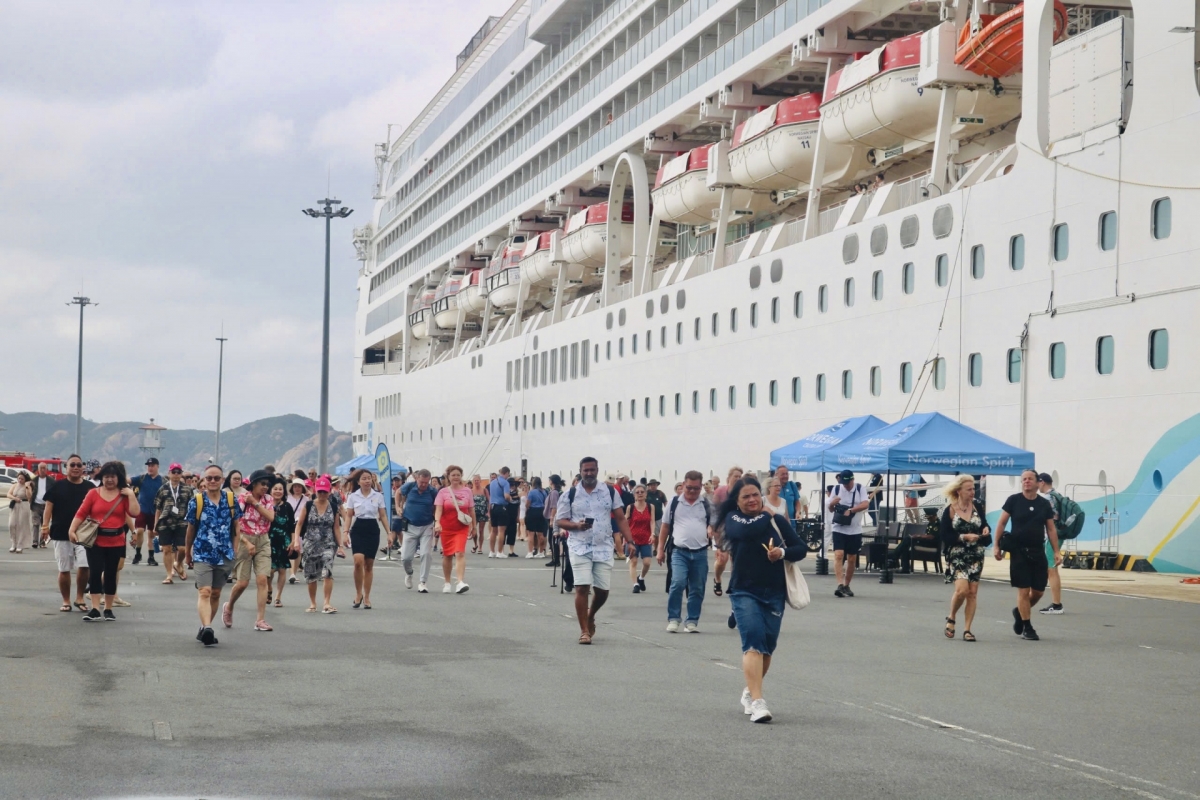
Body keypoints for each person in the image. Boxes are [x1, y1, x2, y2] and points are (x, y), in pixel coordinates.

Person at [720, 478, 806, 723]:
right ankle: (758, 702)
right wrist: (767, 514)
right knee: (753, 643)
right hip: (744, 590)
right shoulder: (734, 520)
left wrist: (782, 552)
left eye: (755, 495)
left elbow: (800, 548)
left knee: (767, 648)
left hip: (775, 592)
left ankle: (749, 692)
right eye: (745, 496)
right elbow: (745, 531)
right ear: (737, 501)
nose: (752, 500)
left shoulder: (776, 521)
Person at [555, 456, 631, 644]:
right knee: (582, 587)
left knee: (603, 590)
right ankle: (584, 631)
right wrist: (575, 526)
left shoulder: (610, 491)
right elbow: (560, 520)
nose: (589, 473)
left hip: (603, 546)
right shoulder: (570, 493)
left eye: (592, 470)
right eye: (585, 470)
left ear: (598, 470)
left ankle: (591, 615)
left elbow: (620, 518)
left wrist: (630, 541)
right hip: (579, 546)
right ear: (580, 471)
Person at [994, 469, 1059, 641]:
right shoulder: (1013, 500)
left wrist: (1057, 551)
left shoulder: (1044, 504)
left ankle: (1019, 611)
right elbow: (1001, 523)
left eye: (1030, 479)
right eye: (1024, 479)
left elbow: (1051, 529)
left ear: (1038, 482)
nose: (1026, 482)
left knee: (1038, 591)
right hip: (1019, 552)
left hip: (1037, 551)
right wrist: (996, 546)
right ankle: (1027, 627)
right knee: (1023, 590)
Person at [69, 461, 138, 621]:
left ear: (118, 478)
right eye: (106, 476)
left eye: (113, 477)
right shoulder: (93, 493)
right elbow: (81, 513)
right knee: (94, 573)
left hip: (116, 540)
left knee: (111, 574)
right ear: (102, 477)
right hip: (96, 541)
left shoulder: (123, 495)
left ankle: (108, 608)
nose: (109, 480)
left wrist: (131, 494)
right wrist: (72, 530)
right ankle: (94, 609)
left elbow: (134, 513)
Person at [185, 465, 241, 645]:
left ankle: (204, 627)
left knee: (216, 593)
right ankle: (208, 627)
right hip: (202, 552)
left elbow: (237, 527)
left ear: (222, 480)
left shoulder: (231, 500)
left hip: (224, 553)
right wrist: (187, 551)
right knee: (205, 591)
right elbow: (191, 528)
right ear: (204, 480)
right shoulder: (197, 501)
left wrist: (235, 549)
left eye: (216, 478)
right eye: (209, 478)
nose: (213, 481)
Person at [657, 470, 715, 632]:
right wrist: (660, 549)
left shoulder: (705, 504)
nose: (692, 492)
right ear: (683, 485)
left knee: (697, 588)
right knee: (677, 583)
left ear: (700, 487)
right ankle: (674, 618)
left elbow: (713, 524)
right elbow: (665, 526)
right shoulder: (674, 503)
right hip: (679, 551)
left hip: (700, 552)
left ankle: (692, 620)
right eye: (689, 488)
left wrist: (711, 529)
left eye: (696, 489)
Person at [939, 475, 991, 642]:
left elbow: (984, 524)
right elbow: (944, 535)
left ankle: (967, 629)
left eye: (973, 489)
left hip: (976, 554)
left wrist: (985, 530)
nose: (972, 492)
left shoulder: (978, 506)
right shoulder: (950, 510)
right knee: (962, 590)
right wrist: (963, 537)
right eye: (969, 489)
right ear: (959, 491)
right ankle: (952, 616)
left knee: (973, 593)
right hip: (958, 554)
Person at [223, 470, 276, 631]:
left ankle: (260, 620)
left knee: (262, 579)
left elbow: (271, 517)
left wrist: (255, 503)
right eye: (262, 484)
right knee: (242, 583)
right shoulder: (241, 499)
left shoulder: (267, 500)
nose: (266, 487)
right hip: (244, 539)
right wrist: (246, 542)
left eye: (267, 484)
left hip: (263, 540)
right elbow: (235, 524)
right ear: (253, 484)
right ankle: (229, 606)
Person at [41, 455, 92, 612]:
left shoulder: (90, 487)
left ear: (83, 468)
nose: (76, 467)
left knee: (84, 566)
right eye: (72, 465)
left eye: (79, 465)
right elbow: (48, 507)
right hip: (61, 532)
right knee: (64, 569)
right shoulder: (57, 486)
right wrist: (44, 527)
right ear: (66, 468)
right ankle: (66, 600)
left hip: (84, 533)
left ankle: (80, 598)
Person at [293, 476, 345, 613]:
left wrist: (340, 545)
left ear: (329, 492)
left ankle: (327, 603)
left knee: (328, 571)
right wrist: (296, 541)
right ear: (316, 491)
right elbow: (299, 524)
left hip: (328, 543)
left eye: (325, 492)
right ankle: (313, 603)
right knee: (311, 574)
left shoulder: (333, 507)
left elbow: (336, 528)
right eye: (320, 491)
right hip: (310, 543)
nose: (322, 494)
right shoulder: (309, 505)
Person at [343, 468, 388, 608]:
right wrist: (345, 532)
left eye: (369, 478)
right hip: (358, 528)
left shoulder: (378, 496)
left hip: (372, 529)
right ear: (358, 481)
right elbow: (349, 515)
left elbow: (383, 515)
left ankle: (367, 597)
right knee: (358, 561)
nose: (367, 481)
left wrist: (389, 533)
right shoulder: (353, 496)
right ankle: (358, 593)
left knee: (368, 565)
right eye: (364, 478)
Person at [434, 465, 475, 593]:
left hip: (461, 527)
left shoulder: (467, 491)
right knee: (447, 555)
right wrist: (437, 522)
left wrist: (474, 526)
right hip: (446, 527)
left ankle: (460, 582)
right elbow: (439, 509)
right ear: (449, 477)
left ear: (461, 476)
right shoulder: (443, 492)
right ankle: (447, 582)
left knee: (460, 552)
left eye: (458, 475)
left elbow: (471, 510)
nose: (456, 477)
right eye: (453, 475)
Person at [828, 469, 869, 598]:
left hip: (855, 529)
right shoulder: (836, 488)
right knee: (839, 554)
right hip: (839, 528)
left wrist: (851, 510)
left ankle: (846, 585)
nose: (845, 485)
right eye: (843, 483)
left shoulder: (859, 488)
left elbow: (866, 504)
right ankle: (840, 584)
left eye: (847, 483)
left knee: (852, 558)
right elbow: (830, 508)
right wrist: (832, 504)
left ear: (852, 479)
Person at [152, 463, 191, 583]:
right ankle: (169, 574)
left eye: (178, 472)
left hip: (182, 521)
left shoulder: (187, 489)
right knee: (166, 549)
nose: (176, 475)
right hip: (165, 521)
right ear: (169, 473)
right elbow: (158, 508)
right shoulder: (163, 489)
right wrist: (155, 525)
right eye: (173, 472)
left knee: (182, 548)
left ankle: (178, 563)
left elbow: (192, 507)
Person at [398, 469, 437, 591]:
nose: (423, 485)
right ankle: (409, 573)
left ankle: (423, 582)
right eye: (421, 482)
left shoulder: (432, 491)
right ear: (417, 479)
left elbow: (437, 507)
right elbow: (399, 492)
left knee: (426, 554)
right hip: (410, 525)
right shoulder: (409, 487)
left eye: (426, 482)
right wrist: (399, 507)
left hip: (427, 525)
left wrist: (436, 521)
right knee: (405, 557)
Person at [1037, 472, 1067, 615]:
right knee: (1049, 568)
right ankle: (1055, 602)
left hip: (1051, 536)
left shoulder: (1048, 498)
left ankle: (1057, 604)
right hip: (1057, 534)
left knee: (1051, 568)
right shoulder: (1057, 495)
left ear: (1041, 482)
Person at [711, 467, 743, 596]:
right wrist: (715, 534)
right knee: (722, 560)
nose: (738, 478)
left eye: (740, 476)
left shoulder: (742, 492)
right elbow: (714, 514)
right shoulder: (720, 492)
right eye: (736, 476)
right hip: (722, 529)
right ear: (728, 478)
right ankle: (717, 579)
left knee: (736, 560)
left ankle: (734, 585)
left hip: (737, 528)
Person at [266, 478, 296, 608]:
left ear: (284, 491)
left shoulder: (287, 506)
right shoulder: (266, 504)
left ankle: (278, 597)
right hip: (269, 540)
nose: (278, 491)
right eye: (275, 489)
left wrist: (293, 541)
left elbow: (291, 525)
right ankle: (269, 589)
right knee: (270, 570)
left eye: (280, 489)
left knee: (282, 569)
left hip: (284, 540)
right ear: (270, 490)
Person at [130, 457, 164, 567]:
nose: (150, 468)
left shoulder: (163, 481)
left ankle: (151, 557)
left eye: (153, 465)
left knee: (151, 534)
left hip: (155, 511)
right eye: (149, 466)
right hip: (142, 509)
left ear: (157, 467)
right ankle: (138, 553)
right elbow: (129, 480)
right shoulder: (142, 478)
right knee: (139, 531)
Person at [625, 484, 654, 593]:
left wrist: (652, 534)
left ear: (646, 494)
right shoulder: (630, 507)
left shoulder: (650, 507)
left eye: (642, 492)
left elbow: (652, 521)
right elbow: (625, 522)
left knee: (647, 562)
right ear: (634, 495)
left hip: (646, 538)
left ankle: (641, 578)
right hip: (633, 539)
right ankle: (635, 584)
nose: (640, 494)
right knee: (634, 561)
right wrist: (625, 537)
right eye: (637, 492)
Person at [285, 479, 307, 583]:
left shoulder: (306, 500)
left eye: (299, 486)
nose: (297, 488)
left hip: (301, 526)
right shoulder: (287, 498)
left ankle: (294, 572)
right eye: (295, 486)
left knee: (299, 549)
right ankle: (291, 573)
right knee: (291, 547)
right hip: (289, 525)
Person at [487, 467, 512, 558]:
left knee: (493, 530)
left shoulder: (492, 483)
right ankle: (500, 552)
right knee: (501, 531)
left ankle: (491, 551)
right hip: (501, 507)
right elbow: (506, 496)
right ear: (506, 473)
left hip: (493, 507)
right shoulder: (505, 482)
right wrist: (510, 499)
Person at [29, 462, 54, 550]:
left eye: (44, 468)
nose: (42, 470)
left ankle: (42, 542)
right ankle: (35, 541)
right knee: (35, 523)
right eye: (41, 468)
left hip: (46, 505)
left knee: (44, 524)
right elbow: (29, 492)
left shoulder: (51, 481)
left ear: (46, 469)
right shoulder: (34, 480)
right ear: (38, 470)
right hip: (36, 504)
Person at [7, 472, 32, 553]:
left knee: (21, 525)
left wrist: (27, 487)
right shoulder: (14, 485)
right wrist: (14, 498)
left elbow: (29, 497)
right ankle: (13, 543)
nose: (20, 480)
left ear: (25, 479)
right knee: (12, 524)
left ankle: (20, 545)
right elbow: (8, 494)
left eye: (22, 479)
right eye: (19, 478)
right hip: (15, 505)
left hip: (24, 505)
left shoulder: (27, 486)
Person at [525, 476, 548, 558]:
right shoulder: (544, 492)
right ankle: (541, 552)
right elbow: (546, 502)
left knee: (531, 533)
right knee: (540, 534)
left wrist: (527, 509)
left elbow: (527, 504)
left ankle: (530, 552)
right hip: (541, 511)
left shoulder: (531, 492)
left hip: (532, 511)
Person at [544, 475, 564, 568]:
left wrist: (552, 519)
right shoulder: (553, 492)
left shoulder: (554, 492)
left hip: (552, 518)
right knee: (552, 539)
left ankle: (556, 559)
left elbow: (554, 506)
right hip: (551, 517)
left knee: (553, 539)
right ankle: (555, 558)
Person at [470, 475, 489, 554]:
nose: (476, 482)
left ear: (480, 481)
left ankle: (480, 547)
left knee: (481, 530)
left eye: (478, 480)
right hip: (473, 513)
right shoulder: (471, 491)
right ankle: (475, 544)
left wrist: (488, 512)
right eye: (475, 480)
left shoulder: (484, 490)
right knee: (473, 529)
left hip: (482, 512)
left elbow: (489, 501)